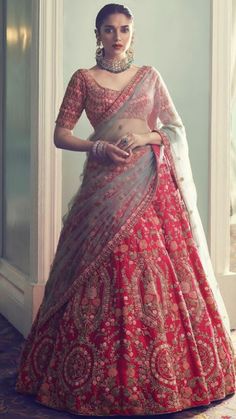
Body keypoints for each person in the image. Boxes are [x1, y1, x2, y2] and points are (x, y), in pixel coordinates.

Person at [16, 3, 235, 416]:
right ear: (96, 33)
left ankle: (164, 375)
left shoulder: (150, 76)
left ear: (132, 33)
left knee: (151, 265)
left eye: (125, 30)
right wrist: (94, 145)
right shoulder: (83, 79)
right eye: (109, 30)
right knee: (101, 267)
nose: (118, 38)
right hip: (103, 186)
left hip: (147, 185)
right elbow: (61, 134)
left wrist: (150, 137)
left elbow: (173, 129)